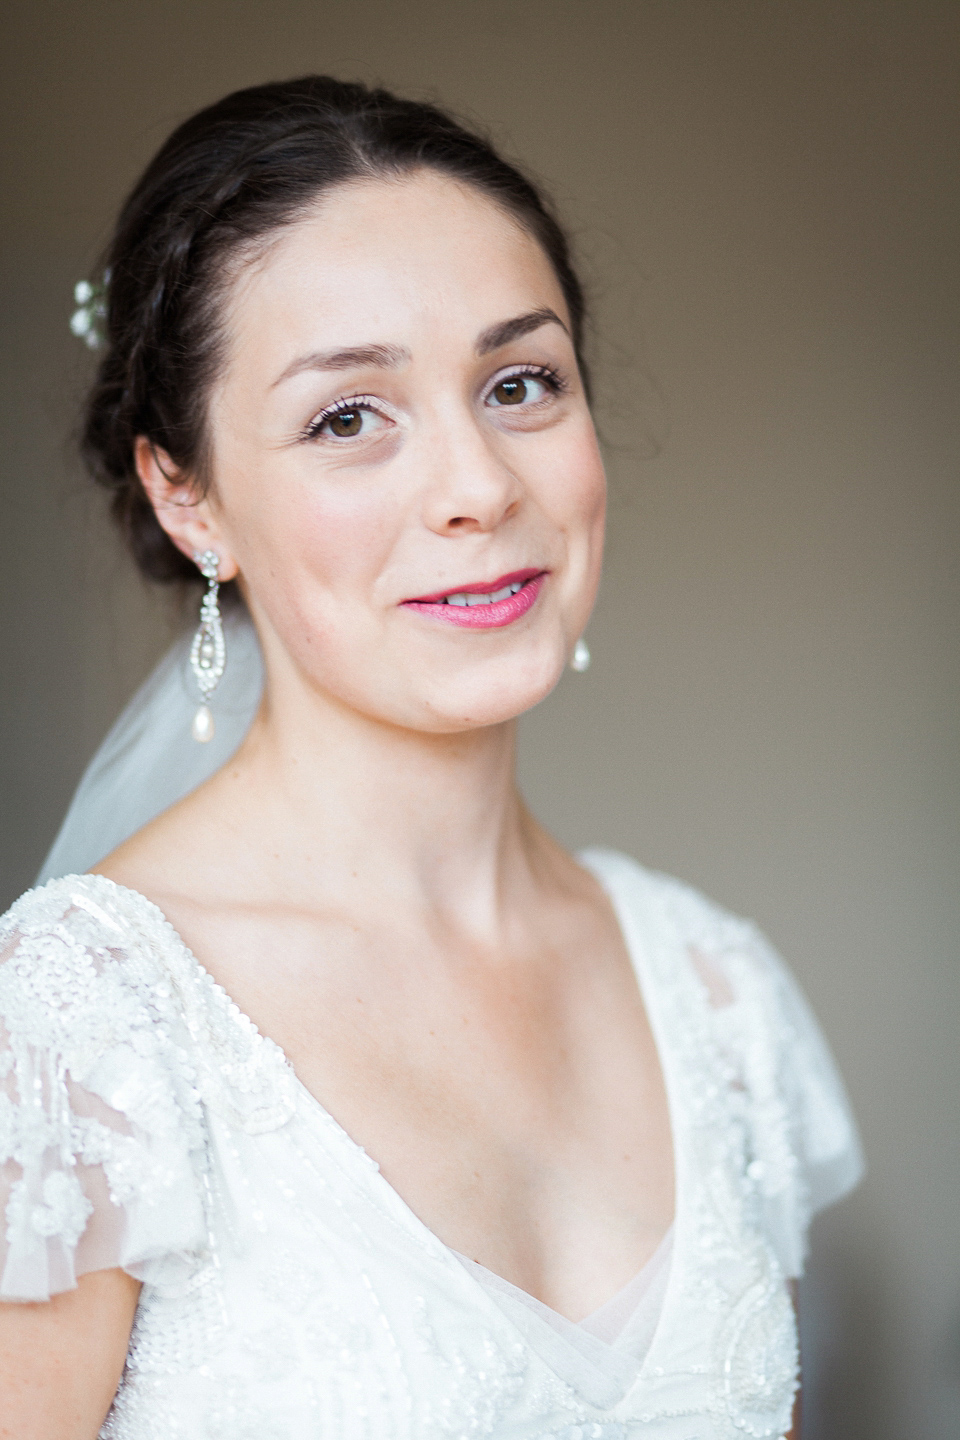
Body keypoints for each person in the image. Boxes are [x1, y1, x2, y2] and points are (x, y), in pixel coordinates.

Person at [0, 76, 862, 1440]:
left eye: (520, 384)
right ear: (188, 494)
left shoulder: (718, 993)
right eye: (350, 416)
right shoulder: (80, 1030)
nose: (479, 485)